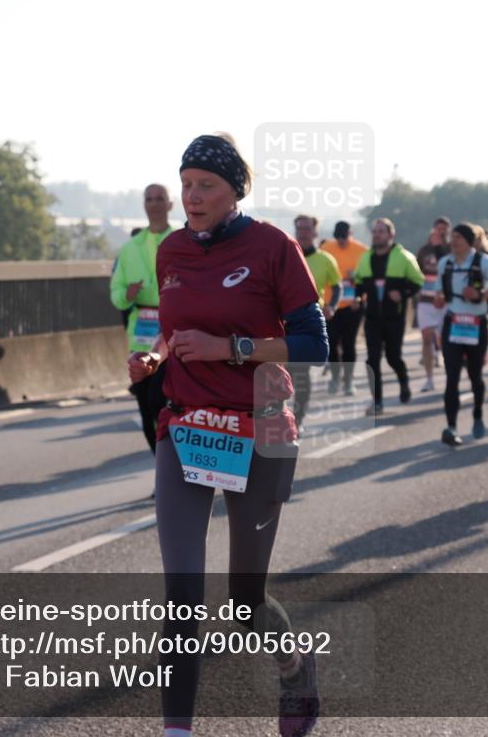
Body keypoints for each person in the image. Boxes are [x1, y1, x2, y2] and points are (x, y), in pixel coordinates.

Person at [127, 133, 326, 737]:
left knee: (245, 605)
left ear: (235, 189)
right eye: (186, 184)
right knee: (182, 600)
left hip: (259, 428)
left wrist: (230, 349)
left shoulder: (272, 246)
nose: (191, 196)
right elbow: (171, 330)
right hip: (185, 427)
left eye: (205, 185)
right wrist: (155, 361)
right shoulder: (171, 253)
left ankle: (294, 668)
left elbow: (315, 344)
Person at [110, 185, 175, 453]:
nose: (155, 204)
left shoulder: (183, 241)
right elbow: (116, 294)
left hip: (173, 335)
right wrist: (127, 294)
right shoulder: (130, 248)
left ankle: (177, 471)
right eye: (149, 199)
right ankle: (162, 469)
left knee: (162, 402)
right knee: (145, 407)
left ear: (170, 204)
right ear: (144, 204)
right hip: (140, 336)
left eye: (160, 198)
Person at [435, 222, 488, 446]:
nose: (453, 241)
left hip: (476, 324)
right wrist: (438, 298)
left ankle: (477, 414)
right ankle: (451, 427)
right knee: (452, 376)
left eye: (458, 237)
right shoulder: (444, 263)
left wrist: (480, 293)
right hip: (453, 323)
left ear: (469, 240)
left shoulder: (484, 261)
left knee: (475, 375)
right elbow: (439, 293)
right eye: (452, 237)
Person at [353, 217, 424, 415]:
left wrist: (402, 294)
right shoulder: (366, 257)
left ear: (391, 235)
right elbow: (359, 283)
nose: (376, 235)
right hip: (373, 317)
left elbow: (418, 282)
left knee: (393, 358)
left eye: (381, 231)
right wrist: (358, 298)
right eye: (375, 231)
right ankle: (377, 403)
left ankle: (404, 381)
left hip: (395, 317)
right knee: (372, 360)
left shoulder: (404, 257)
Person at [292, 214, 341, 431]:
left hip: (309, 319)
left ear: (315, 232)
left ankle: (298, 418)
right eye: (299, 228)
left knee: (300, 372)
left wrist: (332, 305)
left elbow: (337, 286)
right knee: (278, 372)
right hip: (283, 319)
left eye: (306, 228)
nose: (302, 232)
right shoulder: (286, 254)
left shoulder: (325, 260)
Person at [321, 221, 368, 395]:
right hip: (330, 305)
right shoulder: (326, 248)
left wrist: (360, 295)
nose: (341, 241)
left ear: (351, 234)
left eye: (345, 237)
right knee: (332, 343)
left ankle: (348, 381)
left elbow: (366, 279)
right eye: (338, 237)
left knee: (349, 343)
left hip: (352, 305)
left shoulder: (362, 250)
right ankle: (335, 378)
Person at [416, 217, 451, 391]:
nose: (441, 232)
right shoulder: (424, 250)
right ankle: (429, 379)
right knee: (426, 339)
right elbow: (417, 272)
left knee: (446, 339)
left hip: (446, 302)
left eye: (444, 229)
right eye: (439, 228)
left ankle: (450, 376)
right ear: (434, 229)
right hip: (426, 301)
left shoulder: (451, 250)